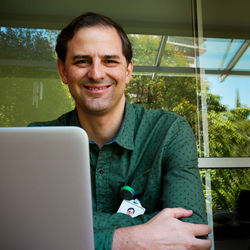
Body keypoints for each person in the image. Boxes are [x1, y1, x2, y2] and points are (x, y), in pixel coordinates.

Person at [29, 12, 212, 249]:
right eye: (82, 61)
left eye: (110, 61)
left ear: (128, 71)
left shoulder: (169, 132)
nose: (96, 74)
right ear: (63, 71)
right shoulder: (37, 143)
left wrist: (65, 233)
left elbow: (192, 232)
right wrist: (130, 239)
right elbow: (24, 233)